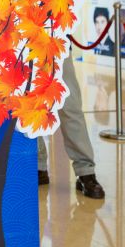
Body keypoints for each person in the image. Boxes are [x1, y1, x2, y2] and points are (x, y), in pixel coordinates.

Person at [37, 56, 105, 199]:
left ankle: (85, 170)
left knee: (70, 104)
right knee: (29, 104)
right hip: (21, 44)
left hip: (57, 47)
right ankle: (38, 165)